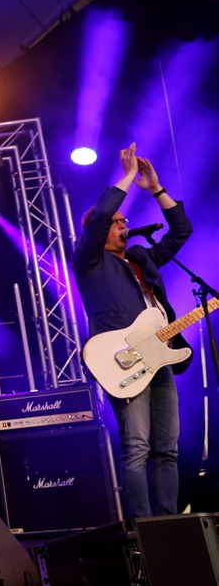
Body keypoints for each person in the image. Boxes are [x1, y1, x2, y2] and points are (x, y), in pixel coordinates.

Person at [72, 142, 192, 518]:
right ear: (98, 230)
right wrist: (125, 177)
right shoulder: (88, 260)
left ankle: (171, 521)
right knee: (137, 445)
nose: (124, 225)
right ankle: (144, 526)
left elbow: (180, 230)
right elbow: (105, 210)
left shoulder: (141, 258)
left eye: (125, 221)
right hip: (121, 361)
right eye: (117, 222)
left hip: (159, 356)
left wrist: (155, 189)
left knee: (167, 447)